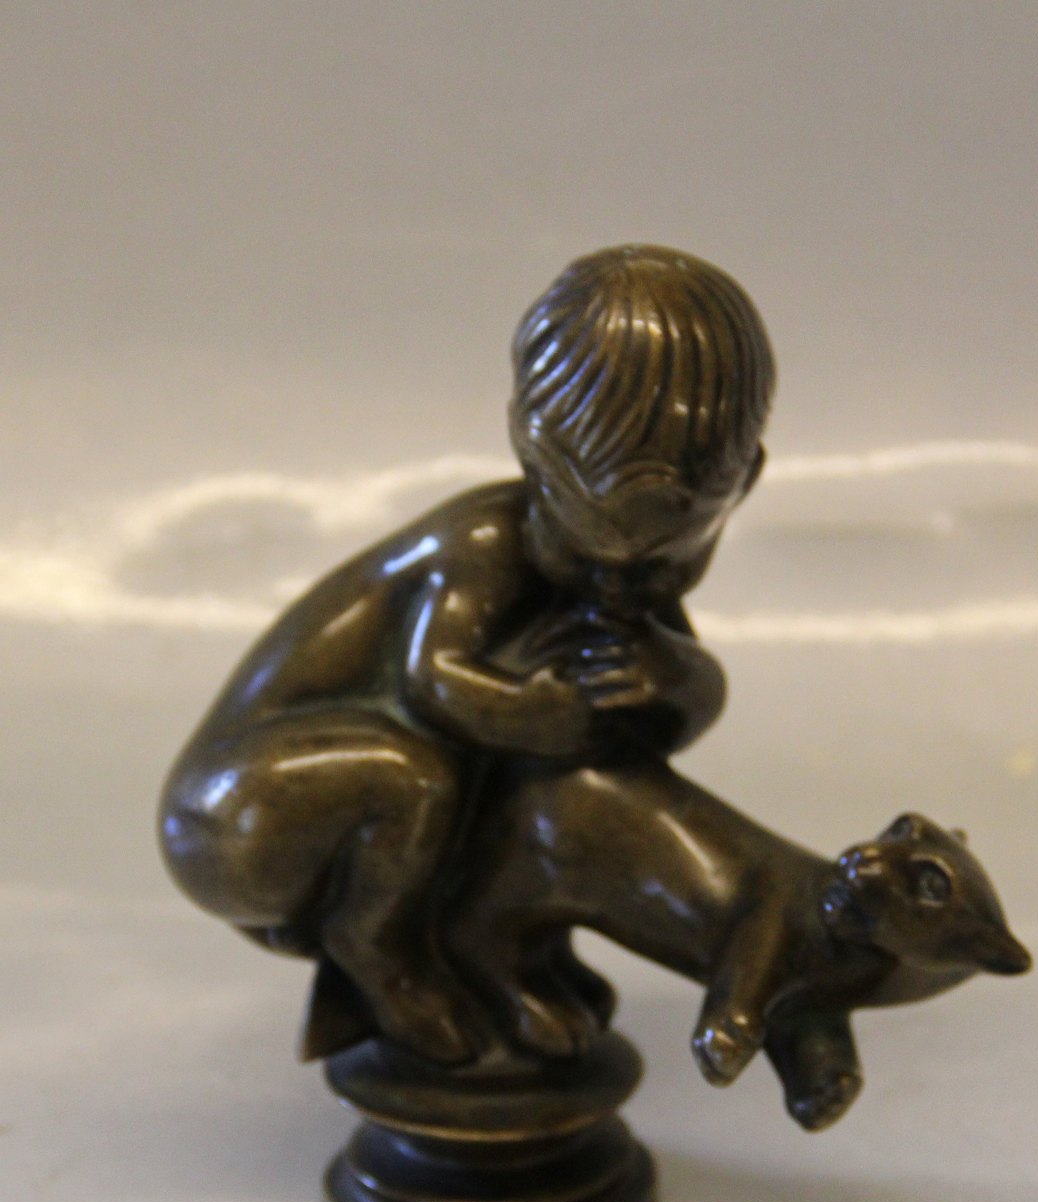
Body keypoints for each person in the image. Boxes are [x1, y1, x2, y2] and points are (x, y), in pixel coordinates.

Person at [158, 244, 775, 1064]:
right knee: (416, 777)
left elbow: (650, 734)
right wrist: (537, 711)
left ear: (745, 483)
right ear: (529, 450)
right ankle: (384, 956)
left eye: (660, 563)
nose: (619, 585)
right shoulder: (483, 542)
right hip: (234, 810)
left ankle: (496, 960)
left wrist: (684, 678)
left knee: (544, 798)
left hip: (360, 814)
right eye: (590, 548)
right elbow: (433, 679)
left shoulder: (622, 578)